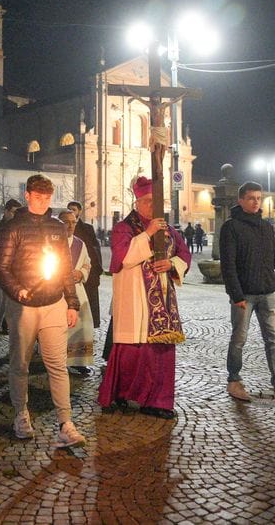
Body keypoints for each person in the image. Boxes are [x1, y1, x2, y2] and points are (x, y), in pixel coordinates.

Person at [0, 175, 85, 447]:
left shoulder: (57, 228)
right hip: (23, 306)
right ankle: (21, 414)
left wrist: (72, 302)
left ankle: (65, 423)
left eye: (48, 198)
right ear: (28, 196)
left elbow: (66, 268)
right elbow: (1, 268)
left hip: (53, 303)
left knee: (57, 365)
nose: (44, 203)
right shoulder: (13, 228)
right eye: (39, 198)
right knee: (20, 364)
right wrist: (17, 290)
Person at [98, 176, 191, 420]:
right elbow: (123, 257)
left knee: (160, 353)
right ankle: (121, 393)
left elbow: (184, 254)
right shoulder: (123, 227)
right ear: (138, 202)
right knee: (132, 350)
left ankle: (158, 401)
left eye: (156, 201)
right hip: (135, 299)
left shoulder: (169, 230)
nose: (153, 206)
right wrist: (147, 234)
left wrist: (170, 264)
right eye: (148, 201)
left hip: (163, 300)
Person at [219, 181, 275, 408]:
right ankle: (234, 380)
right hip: (244, 295)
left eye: (259, 198)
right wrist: (236, 294)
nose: (256, 202)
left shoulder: (266, 227)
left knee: (273, 341)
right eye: (251, 198)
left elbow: (271, 262)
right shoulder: (231, 228)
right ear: (240, 200)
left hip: (267, 292)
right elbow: (228, 265)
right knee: (239, 339)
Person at [58, 210, 94, 376]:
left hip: (77, 290)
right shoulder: (53, 242)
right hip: (58, 292)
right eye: (66, 222)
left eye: (73, 222)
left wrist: (81, 273)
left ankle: (78, 361)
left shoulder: (80, 243)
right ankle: (59, 360)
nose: (70, 226)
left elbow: (87, 263)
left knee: (82, 325)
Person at [66, 200, 103, 329]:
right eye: (69, 209)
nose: (70, 226)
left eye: (74, 209)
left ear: (79, 212)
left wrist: (83, 273)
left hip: (81, 281)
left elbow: (92, 255)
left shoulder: (86, 230)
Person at [0, 198, 22, 333]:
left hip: (17, 271)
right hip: (1, 269)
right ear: (6, 211)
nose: (16, 216)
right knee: (1, 303)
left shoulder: (20, 228)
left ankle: (6, 325)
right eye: (14, 212)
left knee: (15, 302)